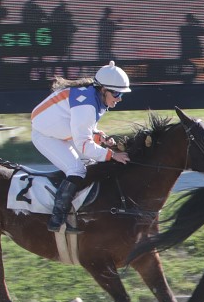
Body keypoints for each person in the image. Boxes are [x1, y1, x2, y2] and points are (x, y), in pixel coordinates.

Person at [30, 61, 132, 233]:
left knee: (91, 163)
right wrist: (112, 155)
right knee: (76, 170)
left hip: (59, 131)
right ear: (103, 90)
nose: (119, 98)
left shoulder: (94, 96)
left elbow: (83, 128)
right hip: (45, 136)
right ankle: (57, 219)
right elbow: (84, 144)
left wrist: (99, 137)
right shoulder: (87, 104)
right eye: (116, 93)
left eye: (122, 94)